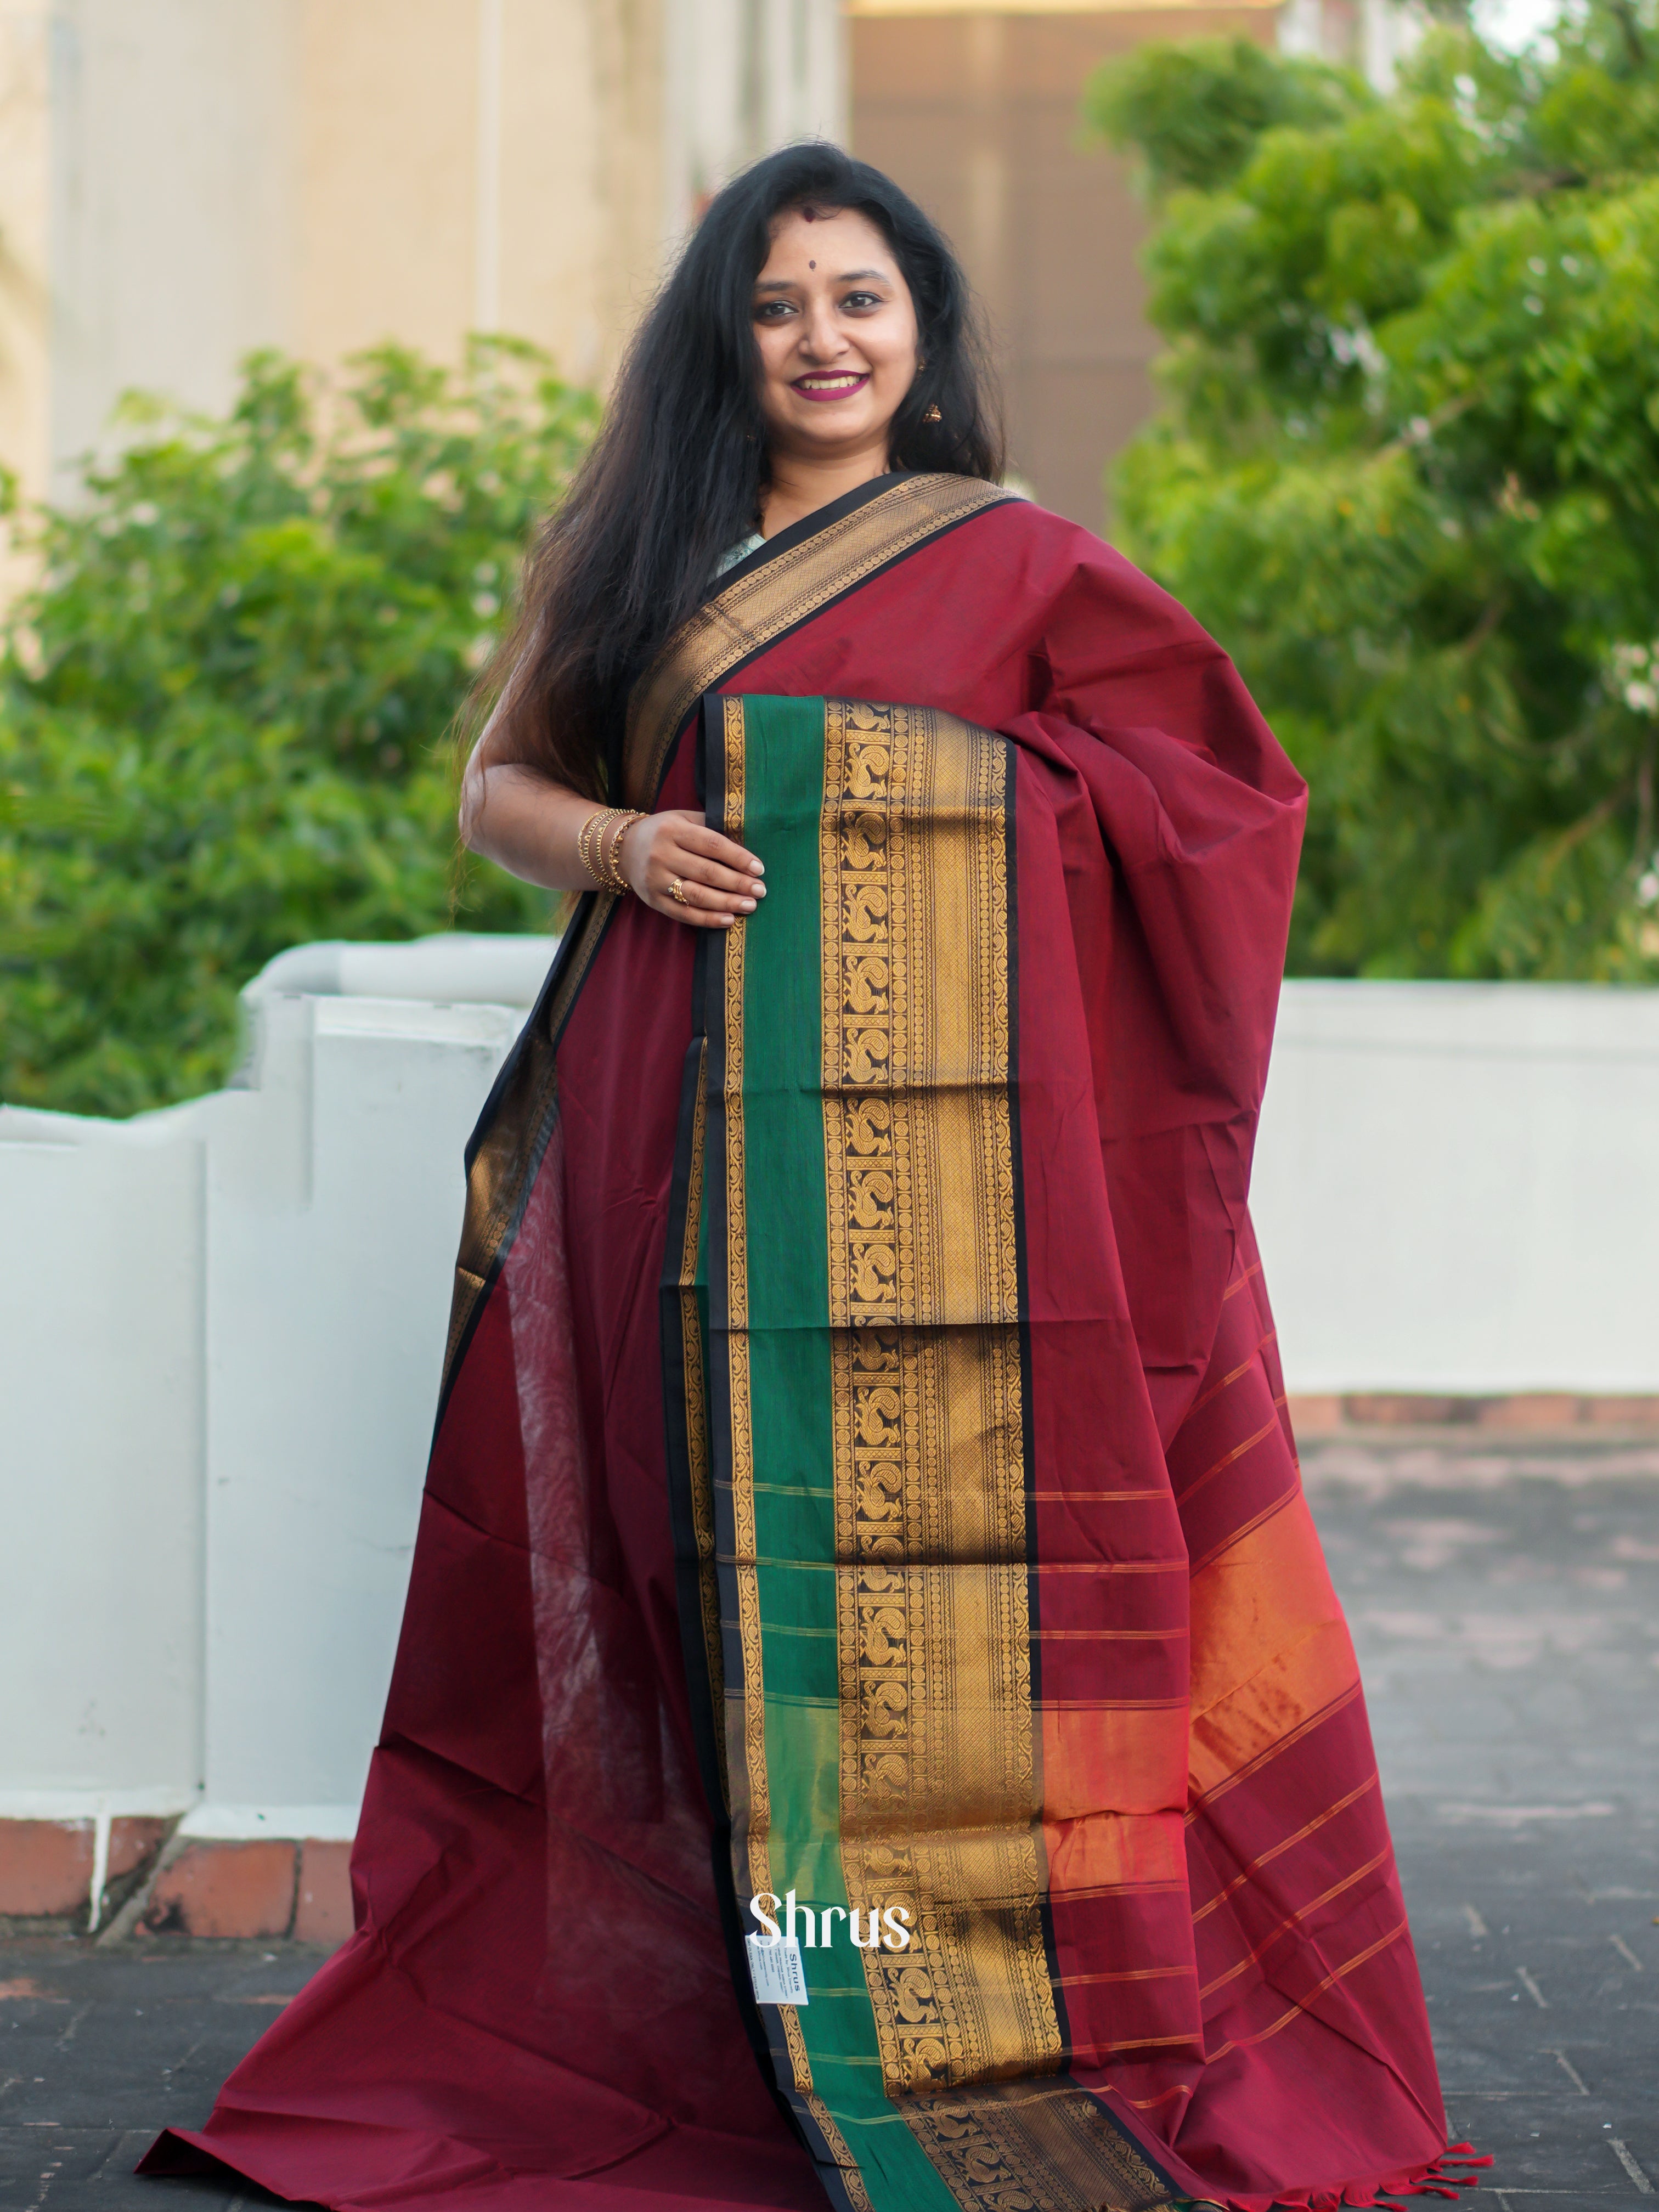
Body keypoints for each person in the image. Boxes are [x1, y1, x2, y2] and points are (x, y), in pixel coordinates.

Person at [143, 144, 1486, 2212]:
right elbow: (499, 786)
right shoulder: (645, 555)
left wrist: (933, 800)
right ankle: (750, 2012)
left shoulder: (1025, 567)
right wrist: (629, 847)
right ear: (728, 343)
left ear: (925, 330)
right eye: (778, 308)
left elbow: (1218, 807)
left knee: (971, 1610)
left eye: (860, 298)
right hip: (677, 1156)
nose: (823, 340)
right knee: (712, 1580)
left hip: (973, 1209)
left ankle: (962, 2013)